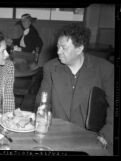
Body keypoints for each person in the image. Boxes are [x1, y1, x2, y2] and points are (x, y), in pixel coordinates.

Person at [36, 23, 114, 154]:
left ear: (79, 49)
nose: (58, 51)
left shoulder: (105, 69)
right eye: (58, 46)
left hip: (93, 138)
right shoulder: (50, 68)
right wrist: (44, 119)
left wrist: (105, 136)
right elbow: (42, 101)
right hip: (57, 135)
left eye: (64, 48)